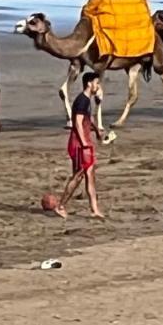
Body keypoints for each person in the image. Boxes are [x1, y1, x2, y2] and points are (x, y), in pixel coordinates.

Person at [56, 71, 105, 219]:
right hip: (78, 144)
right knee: (78, 176)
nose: (98, 85)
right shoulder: (82, 100)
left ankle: (94, 209)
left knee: (90, 175)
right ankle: (61, 206)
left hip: (85, 142)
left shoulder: (87, 100)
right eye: (97, 83)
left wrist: (96, 131)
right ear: (89, 84)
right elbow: (77, 122)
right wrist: (84, 143)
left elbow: (87, 121)